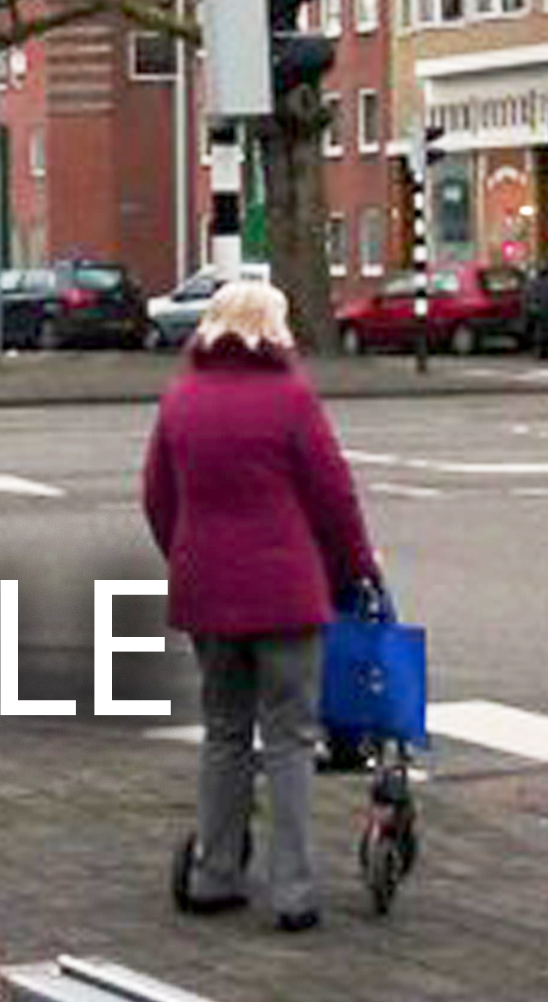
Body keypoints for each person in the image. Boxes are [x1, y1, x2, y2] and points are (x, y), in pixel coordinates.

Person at [141, 277, 378, 935]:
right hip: (287, 594)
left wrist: (185, 555)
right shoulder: (291, 398)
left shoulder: (182, 398)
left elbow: (158, 498)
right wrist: (353, 569)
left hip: (206, 592)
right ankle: (295, 890)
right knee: (290, 739)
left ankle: (215, 872)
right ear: (275, 328)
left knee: (223, 732)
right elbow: (335, 499)